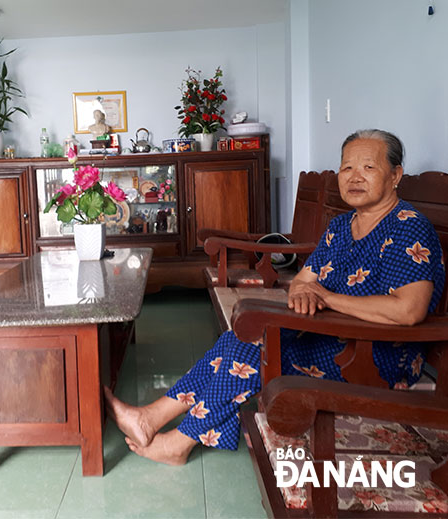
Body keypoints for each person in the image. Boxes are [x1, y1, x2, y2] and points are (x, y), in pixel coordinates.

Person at [104, 129, 445, 465]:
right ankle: (151, 420)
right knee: (238, 339)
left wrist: (325, 298)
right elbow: (302, 281)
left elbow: (408, 310)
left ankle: (177, 441)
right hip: (331, 337)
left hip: (375, 357)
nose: (355, 177)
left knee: (253, 348)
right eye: (347, 168)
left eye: (368, 168)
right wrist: (304, 293)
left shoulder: (407, 228)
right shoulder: (342, 227)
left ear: (395, 175)